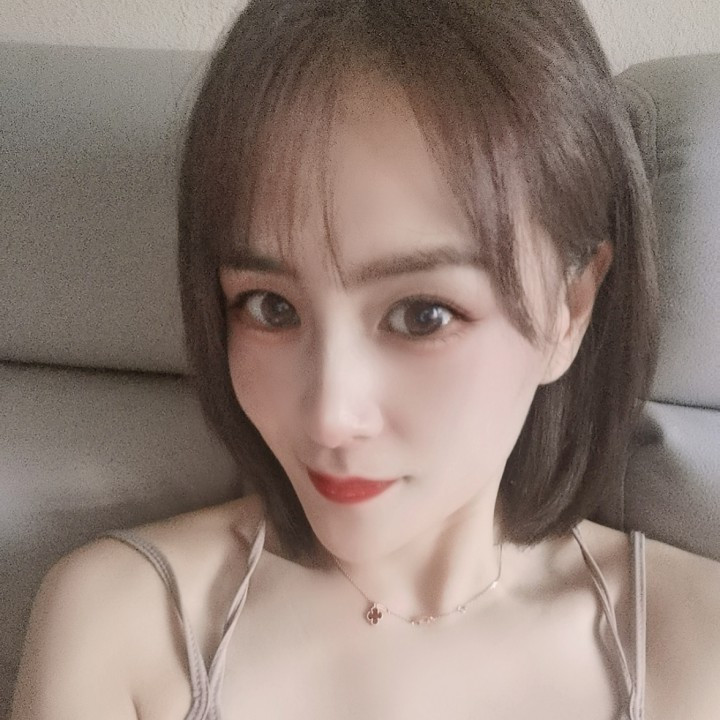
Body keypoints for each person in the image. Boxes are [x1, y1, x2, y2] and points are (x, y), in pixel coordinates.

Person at [10, 0, 720, 718]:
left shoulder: (696, 644)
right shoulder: (125, 626)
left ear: (569, 309)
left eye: (422, 315)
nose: (328, 416)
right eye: (270, 307)